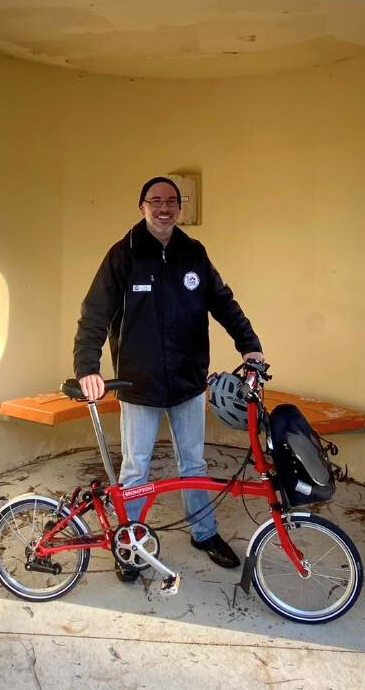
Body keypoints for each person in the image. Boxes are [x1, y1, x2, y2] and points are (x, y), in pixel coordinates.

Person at [74, 176, 263, 581]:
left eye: (171, 201)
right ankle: (131, 542)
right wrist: (88, 368)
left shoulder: (193, 252)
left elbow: (223, 301)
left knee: (193, 462)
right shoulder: (122, 254)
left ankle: (204, 533)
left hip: (188, 382)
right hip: (138, 385)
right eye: (155, 201)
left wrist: (250, 344)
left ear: (181, 208)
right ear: (141, 206)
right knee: (136, 467)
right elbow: (94, 314)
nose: (164, 208)